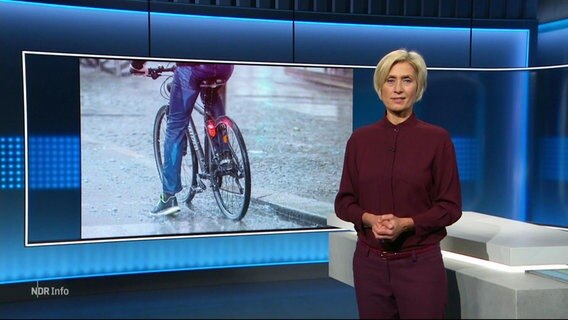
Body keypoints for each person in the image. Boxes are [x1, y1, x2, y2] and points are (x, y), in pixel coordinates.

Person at [334, 49, 462, 319]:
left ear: (419, 87)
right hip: (370, 267)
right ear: (380, 87)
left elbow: (450, 207)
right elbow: (344, 202)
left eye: (407, 80)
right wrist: (369, 218)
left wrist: (407, 224)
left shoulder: (437, 140)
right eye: (390, 80)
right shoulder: (360, 140)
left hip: (420, 267)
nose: (398, 89)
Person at [131, 60, 234, 216]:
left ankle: (168, 198)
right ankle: (224, 155)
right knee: (211, 97)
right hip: (225, 66)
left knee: (175, 126)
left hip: (193, 67)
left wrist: (137, 65)